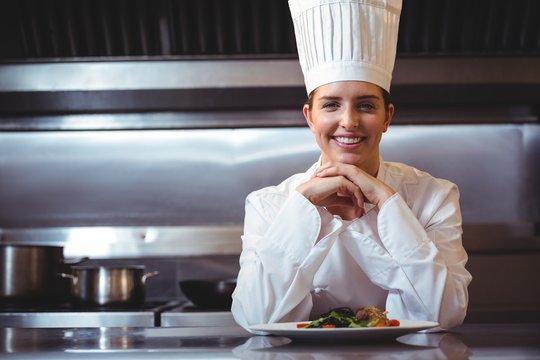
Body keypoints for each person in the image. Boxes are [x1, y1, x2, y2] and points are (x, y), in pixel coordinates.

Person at [231, 0, 472, 331]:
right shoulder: (269, 204)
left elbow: (443, 316)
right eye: (331, 105)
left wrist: (388, 204)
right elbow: (257, 318)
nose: (348, 121)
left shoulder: (434, 197)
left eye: (366, 105)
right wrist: (301, 210)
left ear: (387, 117)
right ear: (310, 117)